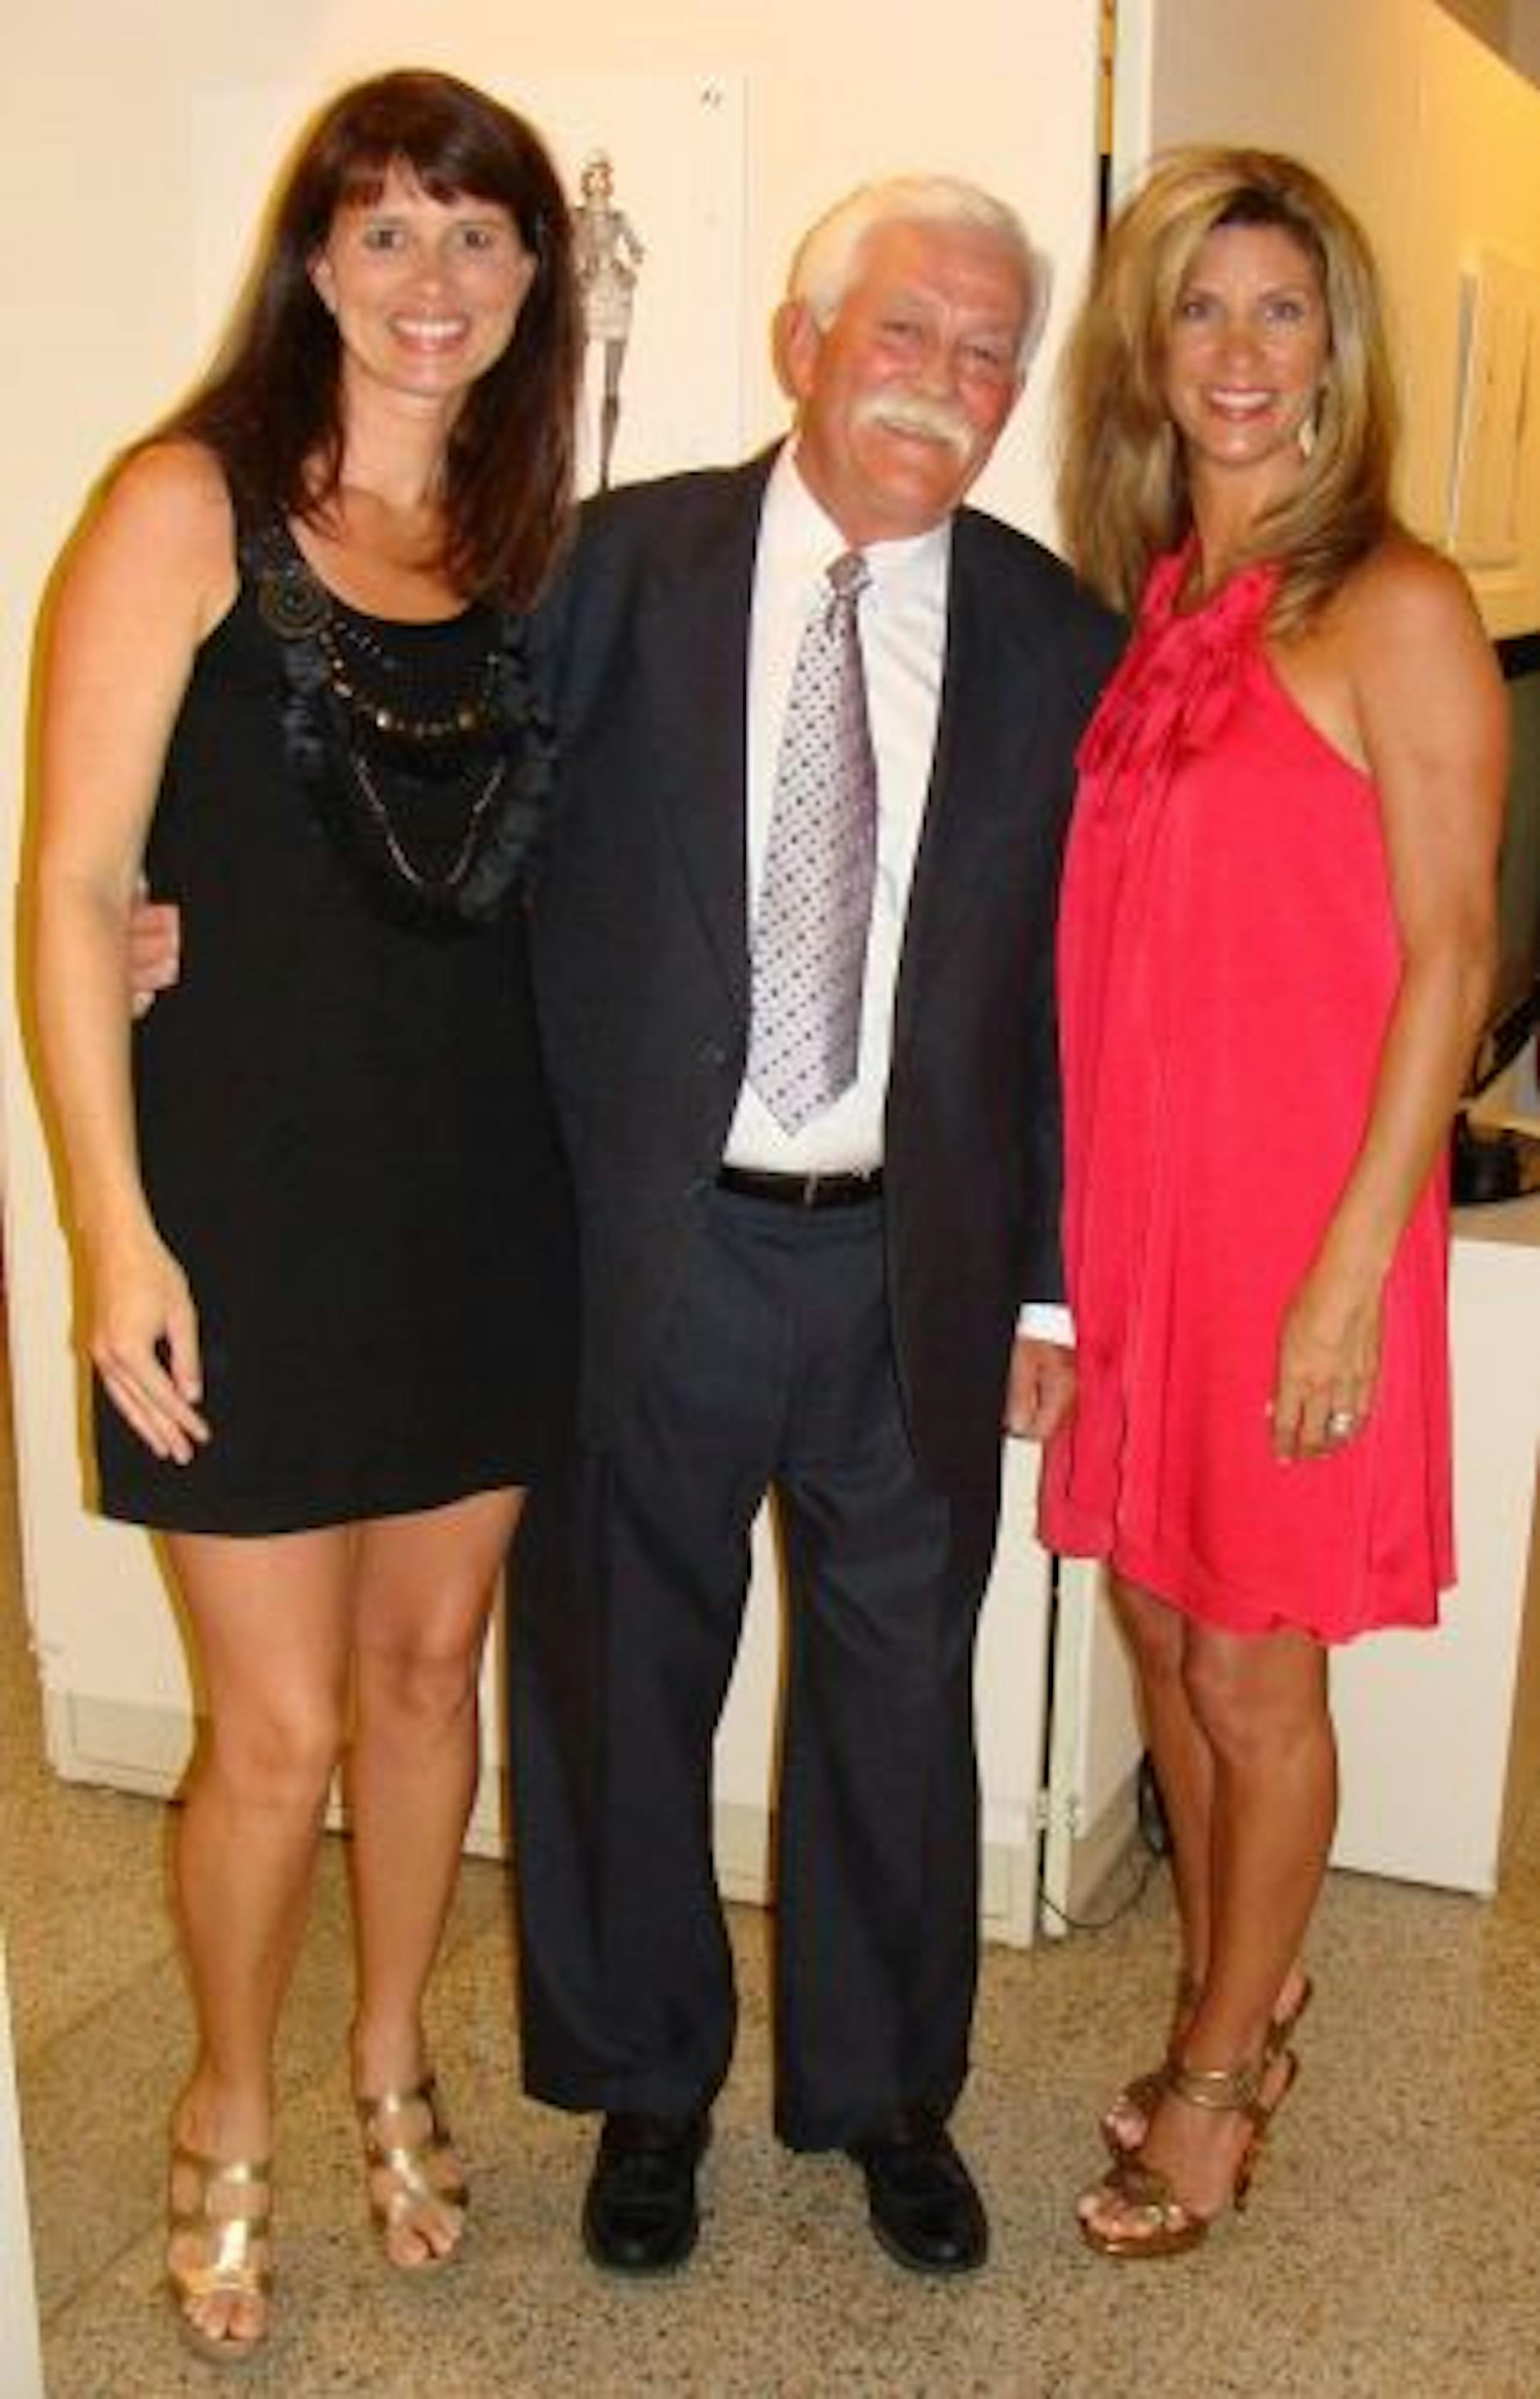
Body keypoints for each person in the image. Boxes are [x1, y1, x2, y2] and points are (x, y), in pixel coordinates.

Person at [509, 176, 1122, 2279]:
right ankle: (645, 2079)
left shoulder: (1056, 638)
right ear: (804, 342)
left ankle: (880, 2095)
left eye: (986, 353)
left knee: (895, 1694)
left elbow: (1066, 1000)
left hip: (907, 1269)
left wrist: (1046, 1277)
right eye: (905, 335)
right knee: (616, 1674)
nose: (946, 385)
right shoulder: (613, 571)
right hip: (647, 1253)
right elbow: (465, 862)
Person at [30, 69, 580, 2360]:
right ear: (314, 259)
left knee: (426, 1674)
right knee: (269, 1735)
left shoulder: (542, 549)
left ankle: (389, 2048)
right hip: (242, 1203)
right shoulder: (186, 502)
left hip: (483, 1200)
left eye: (478, 238)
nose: (433, 283)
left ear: (535, 277)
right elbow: (68, 886)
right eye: (388, 234)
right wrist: (113, 1234)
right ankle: (231, 2098)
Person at [1040, 147, 1506, 2259]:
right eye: (1199, 310)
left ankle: (1221, 2072)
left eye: (1279, 312)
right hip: (1146, 1229)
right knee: (1152, 1601)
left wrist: (1342, 1285)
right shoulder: (1162, 604)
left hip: (1295, 1228)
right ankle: (1264, 1962)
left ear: (1340, 355)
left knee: (1251, 1666)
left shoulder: (1392, 604)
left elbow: (1452, 958)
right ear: (1152, 344)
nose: (1235, 352)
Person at [572, 150, 646, 489]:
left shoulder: (618, 219)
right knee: (574, 382)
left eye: (603, 178)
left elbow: (637, 251)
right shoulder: (576, 218)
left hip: (614, 293)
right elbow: (565, 250)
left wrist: (626, 270)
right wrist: (579, 271)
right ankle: (574, 467)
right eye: (593, 178)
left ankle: (605, 469)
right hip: (587, 295)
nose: (598, 184)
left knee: (611, 387)